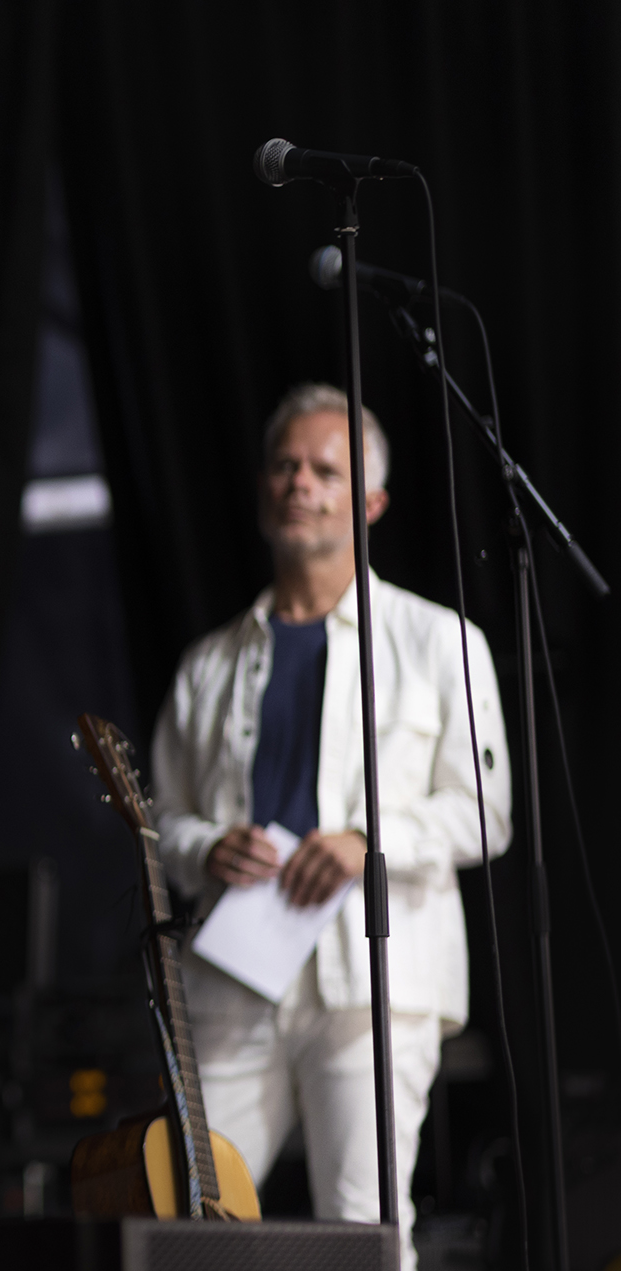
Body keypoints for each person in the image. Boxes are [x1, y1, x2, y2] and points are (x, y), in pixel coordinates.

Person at [150, 383, 511, 1269]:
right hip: (237, 976)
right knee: (199, 1228)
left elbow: (486, 811)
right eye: (284, 465)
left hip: (375, 982)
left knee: (363, 1226)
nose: (300, 483)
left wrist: (367, 840)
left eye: (325, 469)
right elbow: (162, 817)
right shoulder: (211, 662)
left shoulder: (438, 642)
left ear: (373, 503)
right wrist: (207, 846)